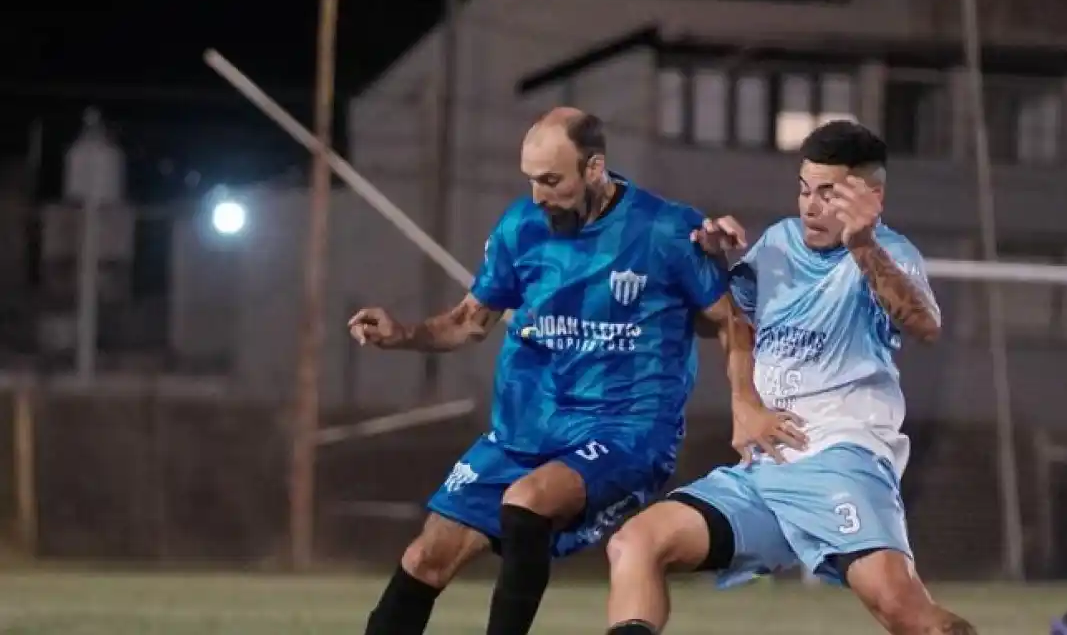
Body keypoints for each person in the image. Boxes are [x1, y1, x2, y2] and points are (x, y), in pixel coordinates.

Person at [348, 107, 804, 635]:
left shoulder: (665, 228)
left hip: (624, 432)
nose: (538, 195)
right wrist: (402, 334)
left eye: (551, 180)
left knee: (526, 503)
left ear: (594, 168)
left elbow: (727, 321)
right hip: (523, 433)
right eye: (531, 180)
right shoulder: (521, 227)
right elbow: (468, 322)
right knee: (426, 557)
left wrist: (745, 402)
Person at [604, 120, 978, 635]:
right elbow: (727, 323)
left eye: (829, 194)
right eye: (805, 190)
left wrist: (863, 245)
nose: (810, 207)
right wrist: (706, 264)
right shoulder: (778, 242)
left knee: (906, 613)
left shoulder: (888, 252)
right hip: (766, 470)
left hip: (841, 460)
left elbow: (925, 325)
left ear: (871, 198)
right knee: (636, 542)